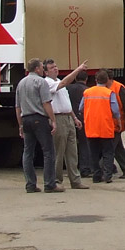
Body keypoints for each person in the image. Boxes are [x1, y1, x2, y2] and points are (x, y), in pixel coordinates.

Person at [15, 58, 64, 193]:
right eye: (42, 67)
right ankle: (49, 184)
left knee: (28, 152)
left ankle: (30, 184)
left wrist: (20, 125)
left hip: (26, 118)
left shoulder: (21, 83)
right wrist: (53, 120)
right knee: (48, 151)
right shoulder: (40, 82)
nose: (43, 70)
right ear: (36, 69)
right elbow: (46, 103)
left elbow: (18, 107)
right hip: (39, 118)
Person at [43, 58, 89, 190]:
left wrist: (74, 118)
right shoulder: (48, 83)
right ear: (46, 72)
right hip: (58, 118)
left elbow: (66, 102)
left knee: (72, 151)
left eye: (56, 66)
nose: (55, 69)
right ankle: (56, 179)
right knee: (59, 151)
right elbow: (64, 82)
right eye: (52, 68)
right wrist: (78, 70)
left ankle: (75, 180)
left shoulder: (58, 82)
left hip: (68, 117)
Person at [79, 70, 120, 183]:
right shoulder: (109, 93)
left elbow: (80, 108)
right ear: (107, 81)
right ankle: (107, 175)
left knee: (94, 153)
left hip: (91, 127)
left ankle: (96, 176)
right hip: (105, 127)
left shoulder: (87, 92)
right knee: (108, 152)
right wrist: (119, 122)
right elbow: (115, 111)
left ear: (96, 80)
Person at [106, 70, 125, 179]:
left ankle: (100, 170)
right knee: (118, 149)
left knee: (109, 149)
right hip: (111, 123)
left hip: (118, 124)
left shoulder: (118, 87)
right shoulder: (106, 88)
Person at [66, 70, 94, 177]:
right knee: (84, 144)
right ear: (86, 79)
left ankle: (71, 168)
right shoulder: (88, 91)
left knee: (69, 145)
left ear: (75, 79)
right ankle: (85, 168)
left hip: (69, 117)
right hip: (83, 119)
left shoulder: (67, 88)